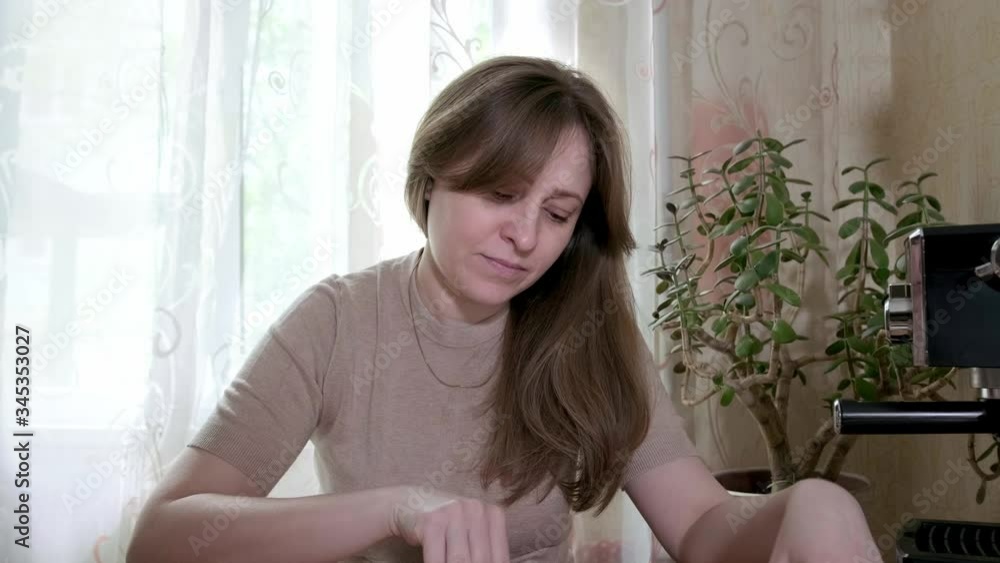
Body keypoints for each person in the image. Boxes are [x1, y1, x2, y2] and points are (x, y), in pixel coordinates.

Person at [126, 55, 878, 563]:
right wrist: (397, 508)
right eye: (500, 194)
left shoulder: (587, 331)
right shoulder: (337, 322)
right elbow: (162, 536)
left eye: (556, 213)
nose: (524, 236)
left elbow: (702, 525)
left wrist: (805, 506)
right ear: (431, 180)